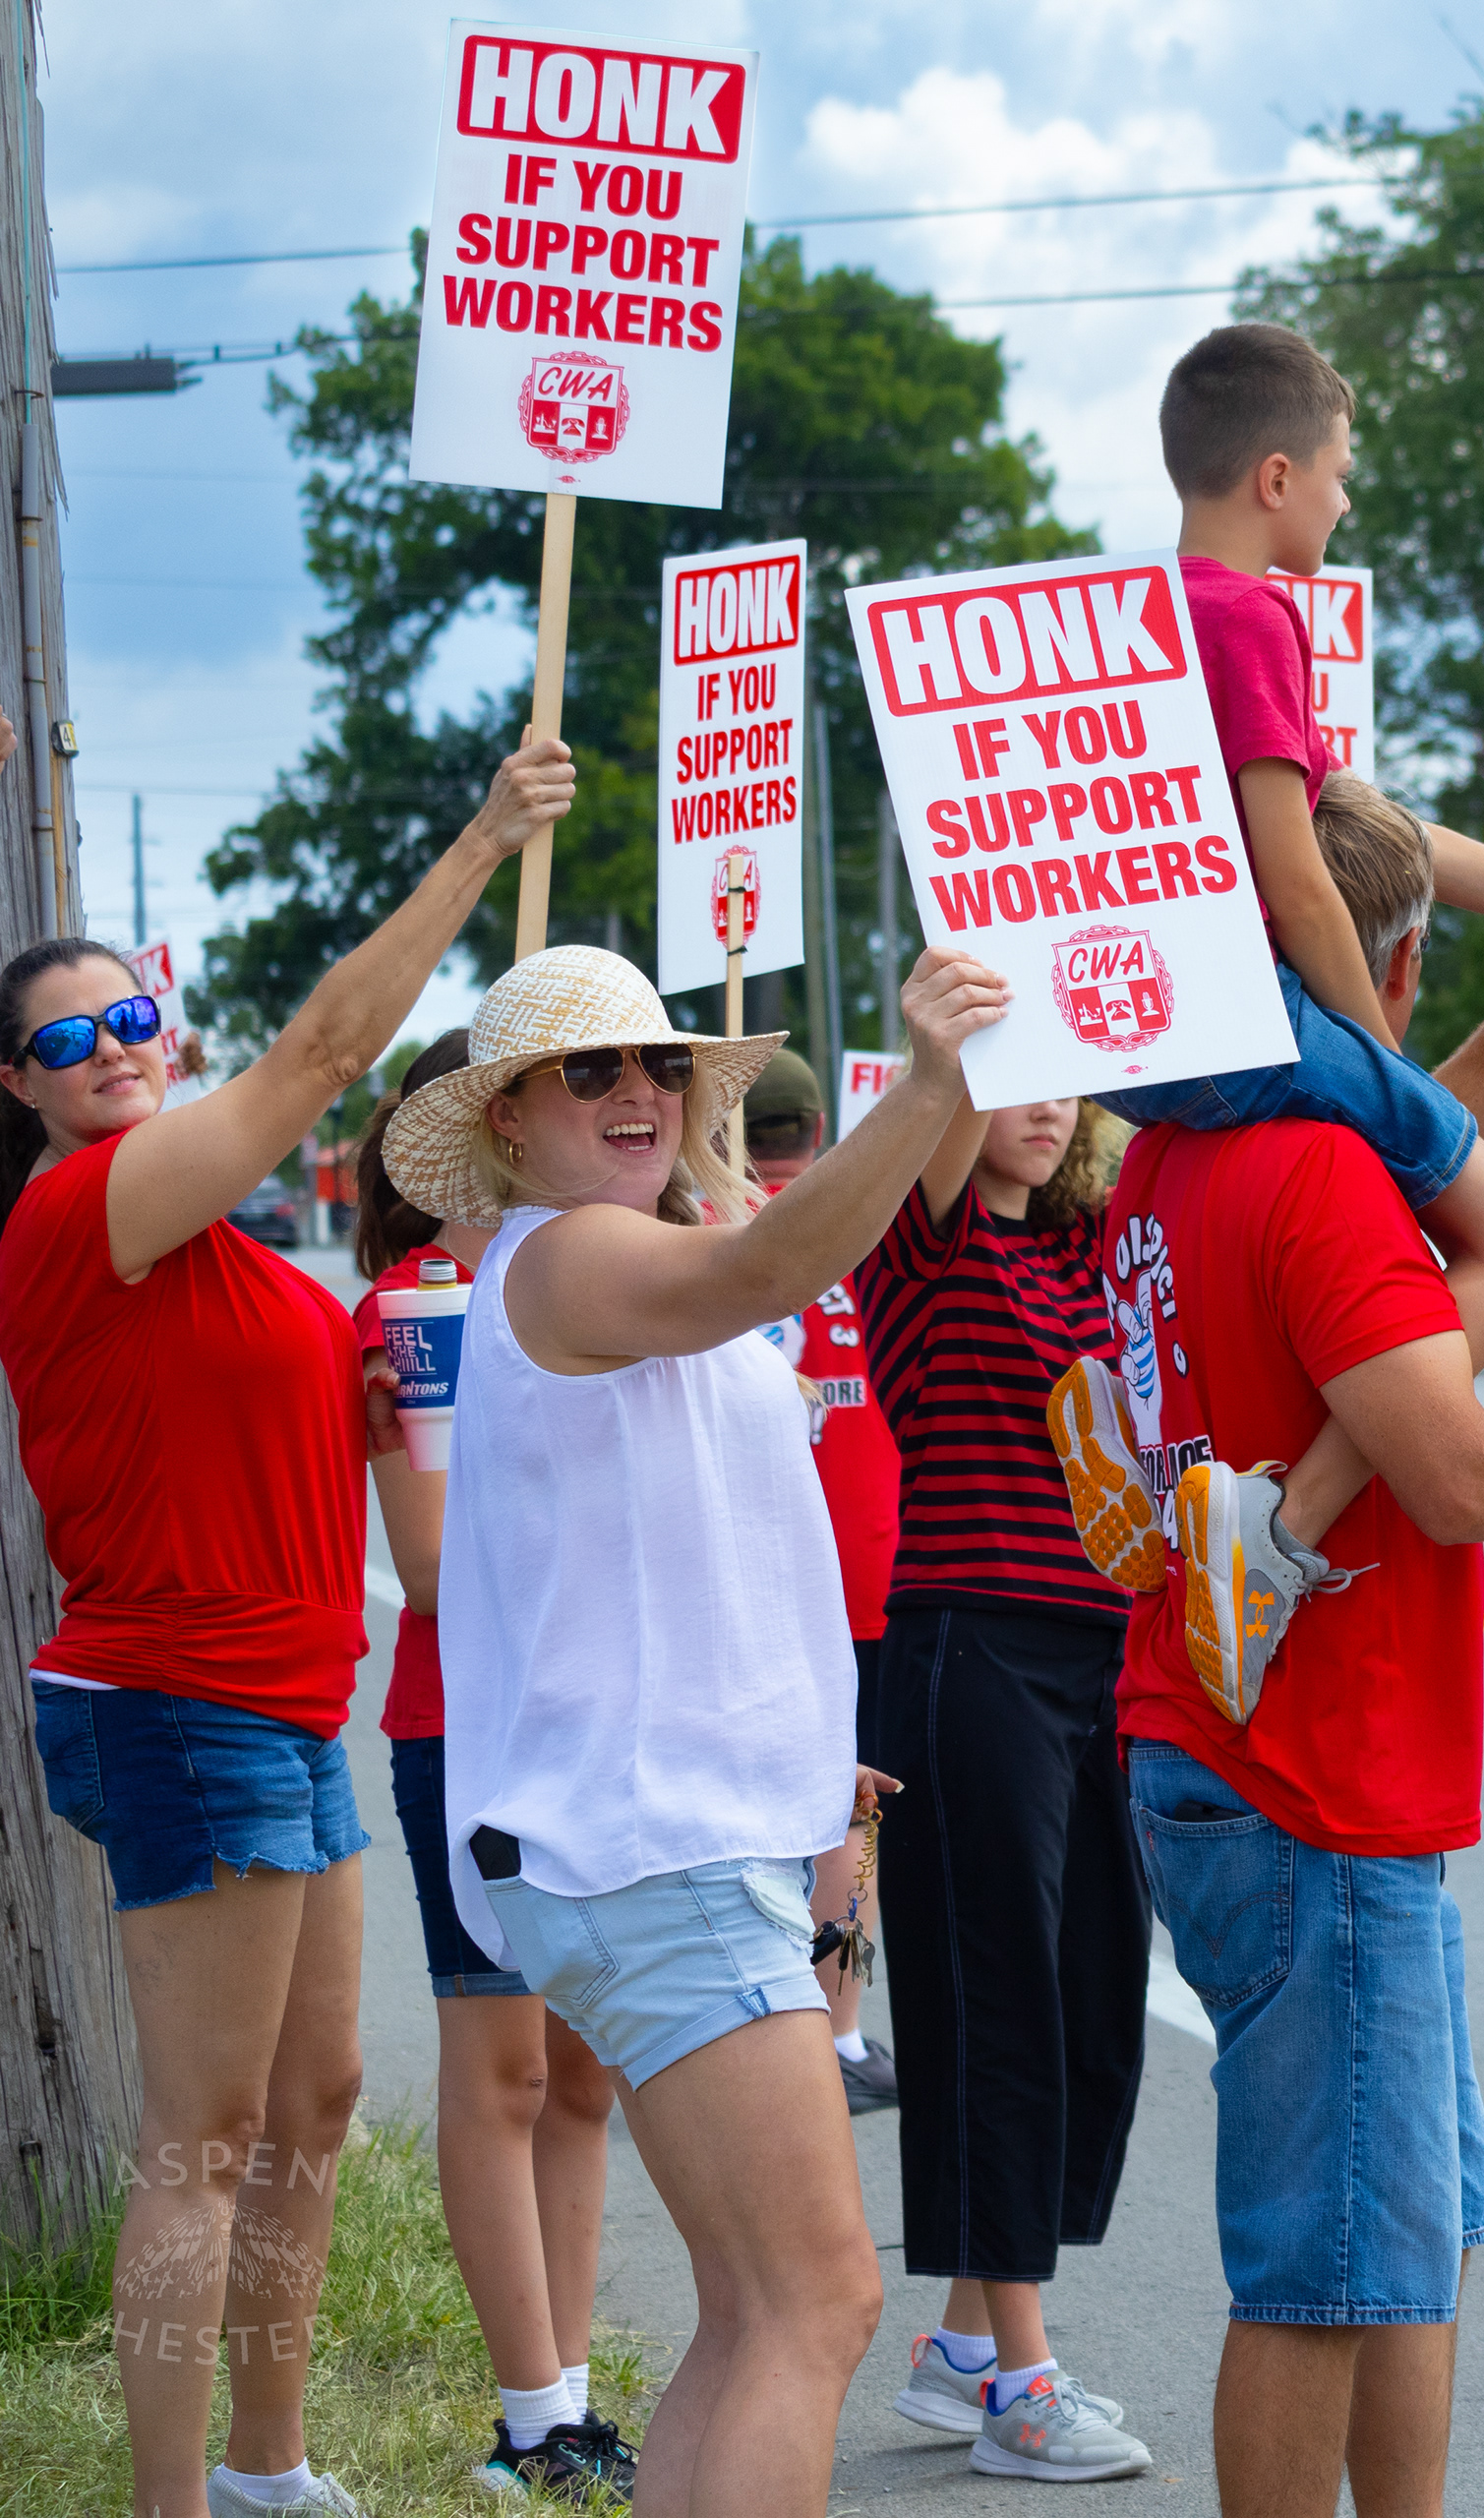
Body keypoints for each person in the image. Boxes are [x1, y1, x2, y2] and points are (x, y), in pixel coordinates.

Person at [0, 737, 570, 2518]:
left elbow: (418, 1508)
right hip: (176, 1701)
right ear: (20, 1088)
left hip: (290, 1706)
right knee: (206, 2136)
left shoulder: (260, 1264)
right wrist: (486, 837)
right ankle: (176, 2505)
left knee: (315, 2104)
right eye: (64, 1042)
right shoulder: (85, 1210)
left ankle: (266, 2471)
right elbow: (327, 1049)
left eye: (130, 1015)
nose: (114, 1050)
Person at [382, 938, 1008, 2516]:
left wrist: (802, 1752)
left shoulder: (614, 1252)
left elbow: (687, 1544)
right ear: (507, 1120)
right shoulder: (568, 1258)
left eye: (660, 1063)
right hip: (652, 1847)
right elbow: (763, 1267)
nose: (639, 1089)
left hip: (673, 1830)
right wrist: (931, 1078)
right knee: (814, 2305)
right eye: (588, 1069)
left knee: (760, 2315)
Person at [1103, 776, 1484, 2518]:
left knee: (1404, 2229)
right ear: (1389, 969)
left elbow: (1436, 1165)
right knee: (1323, 2272)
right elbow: (1463, 1465)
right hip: (1313, 1779)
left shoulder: (1184, 1149)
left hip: (1235, 1742)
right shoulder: (1321, 1177)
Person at [1075, 321, 1484, 1704]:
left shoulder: (1144, 621)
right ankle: (1276, 1538)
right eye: (1344, 472)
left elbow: (1388, 836)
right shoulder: (1250, 616)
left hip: (1153, 1050)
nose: (1350, 501)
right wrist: (1362, 1045)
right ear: (1278, 476)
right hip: (1259, 1024)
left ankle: (1130, 1421)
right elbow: (1301, 870)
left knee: (1424, 1182)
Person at [847, 1078, 1153, 2479]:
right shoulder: (924, 1239)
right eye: (1013, 1078)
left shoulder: (1088, 1250)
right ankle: (1021, 2393)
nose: (1042, 1104)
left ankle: (965, 2346)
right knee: (998, 2001)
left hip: (1105, 1658)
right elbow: (953, 1105)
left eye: (1064, 1078)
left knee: (1094, 1996)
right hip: (969, 1647)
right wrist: (972, 1037)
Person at [350, 1032, 631, 2498]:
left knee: (588, 2072)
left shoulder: (595, 1286)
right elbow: (433, 1561)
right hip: (472, 1730)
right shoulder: (419, 1311)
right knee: (508, 2069)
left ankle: (572, 2395)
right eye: (576, 1088)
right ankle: (528, 2419)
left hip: (600, 1725)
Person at [742, 1049, 904, 2115]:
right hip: (878, 1562)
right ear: (815, 1126)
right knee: (852, 1813)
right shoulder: (871, 1217)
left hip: (765, 1571)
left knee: (783, 1810)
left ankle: (795, 2022)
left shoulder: (726, 1231)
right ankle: (838, 2038)